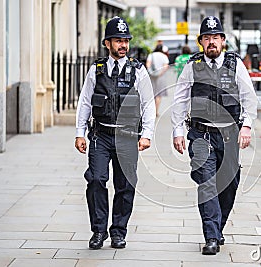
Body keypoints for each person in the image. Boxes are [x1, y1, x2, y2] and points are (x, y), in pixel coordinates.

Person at [171, 16, 257, 255]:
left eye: (215, 38)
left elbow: (249, 97)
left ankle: (217, 227)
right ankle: (210, 236)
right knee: (207, 185)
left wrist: (247, 126)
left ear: (223, 41)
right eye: (206, 38)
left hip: (230, 135)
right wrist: (178, 130)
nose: (211, 42)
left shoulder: (235, 64)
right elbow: (180, 98)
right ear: (201, 41)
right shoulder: (192, 65)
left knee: (229, 185)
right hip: (201, 135)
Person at [74, 16, 155, 250]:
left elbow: (148, 104)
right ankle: (98, 231)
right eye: (118, 40)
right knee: (96, 180)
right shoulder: (96, 70)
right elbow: (85, 103)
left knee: (126, 185)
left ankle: (119, 231)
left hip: (128, 136)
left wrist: (147, 134)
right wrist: (80, 133)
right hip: (101, 135)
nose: (123, 45)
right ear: (107, 43)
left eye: (126, 40)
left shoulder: (138, 71)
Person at [146, 44, 170, 117]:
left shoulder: (151, 55)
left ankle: (151, 111)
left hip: (152, 76)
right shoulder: (164, 56)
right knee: (158, 95)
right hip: (160, 77)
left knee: (151, 94)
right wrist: (160, 73)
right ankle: (156, 111)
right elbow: (166, 66)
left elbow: (148, 64)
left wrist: (151, 72)